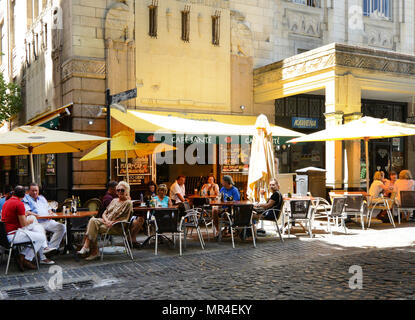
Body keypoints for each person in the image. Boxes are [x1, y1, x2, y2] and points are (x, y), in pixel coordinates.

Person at [1, 186, 54, 271]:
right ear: (24, 195)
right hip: (14, 235)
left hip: (5, 235)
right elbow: (24, 224)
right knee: (41, 237)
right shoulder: (19, 204)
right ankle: (25, 258)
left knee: (37, 229)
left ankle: (24, 256)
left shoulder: (7, 202)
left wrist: (25, 216)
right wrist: (32, 219)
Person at [77, 181, 133, 260]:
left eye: (122, 190)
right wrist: (106, 221)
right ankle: (88, 248)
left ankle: (90, 249)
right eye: (118, 190)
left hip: (117, 226)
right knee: (92, 220)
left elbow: (125, 218)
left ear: (127, 191)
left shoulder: (128, 203)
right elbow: (104, 213)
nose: (120, 192)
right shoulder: (114, 200)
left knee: (92, 227)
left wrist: (112, 222)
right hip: (107, 222)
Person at [23, 183, 66, 256]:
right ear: (29, 191)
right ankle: (46, 252)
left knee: (62, 227)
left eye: (36, 190)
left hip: (47, 220)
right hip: (36, 223)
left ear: (39, 190)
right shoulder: (26, 199)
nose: (35, 192)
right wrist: (38, 215)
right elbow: (27, 212)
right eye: (32, 191)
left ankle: (51, 248)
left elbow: (49, 209)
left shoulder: (42, 198)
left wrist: (50, 213)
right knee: (41, 231)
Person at [129, 184, 172, 248]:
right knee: (156, 218)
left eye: (163, 190)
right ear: (158, 191)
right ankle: (158, 235)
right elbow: (151, 207)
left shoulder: (168, 198)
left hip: (165, 216)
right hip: (155, 215)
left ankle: (159, 235)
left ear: (165, 191)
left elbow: (170, 208)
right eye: (160, 190)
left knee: (165, 218)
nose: (161, 192)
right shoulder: (154, 198)